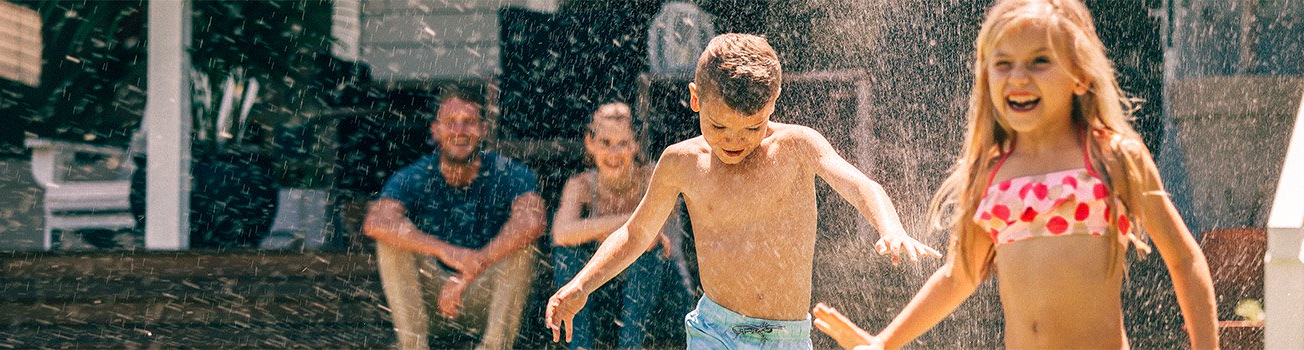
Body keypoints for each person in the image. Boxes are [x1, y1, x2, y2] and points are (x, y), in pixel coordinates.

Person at [809, 0, 1220, 349]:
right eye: (1002, 64)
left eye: (1040, 61)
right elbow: (959, 275)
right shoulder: (992, 171)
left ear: (1080, 75)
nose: (1018, 77)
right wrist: (884, 342)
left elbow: (1184, 260)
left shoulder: (1111, 157)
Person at [544, 33, 944, 349]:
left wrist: (891, 228)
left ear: (773, 102)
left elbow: (860, 186)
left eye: (751, 128)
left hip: (786, 337)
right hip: (714, 331)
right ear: (695, 99)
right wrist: (582, 284)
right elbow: (635, 234)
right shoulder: (681, 162)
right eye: (718, 127)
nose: (734, 141)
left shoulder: (797, 146)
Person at [363, 87, 546, 350]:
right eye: (450, 122)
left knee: (523, 247)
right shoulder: (416, 174)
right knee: (390, 240)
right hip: (432, 300)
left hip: (485, 300)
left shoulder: (510, 172)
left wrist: (469, 271)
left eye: (469, 122)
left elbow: (532, 222)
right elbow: (376, 221)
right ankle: (413, 346)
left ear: (483, 129)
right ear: (435, 130)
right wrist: (447, 252)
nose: (460, 130)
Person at [551, 102, 687, 349]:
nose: (614, 153)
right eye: (605, 143)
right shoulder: (580, 184)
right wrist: (628, 222)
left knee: (648, 251)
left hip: (664, 294)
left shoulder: (653, 177)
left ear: (635, 145)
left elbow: (653, 242)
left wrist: (599, 229)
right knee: (567, 254)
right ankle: (579, 346)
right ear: (590, 144)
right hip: (607, 292)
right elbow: (561, 234)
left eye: (622, 144)